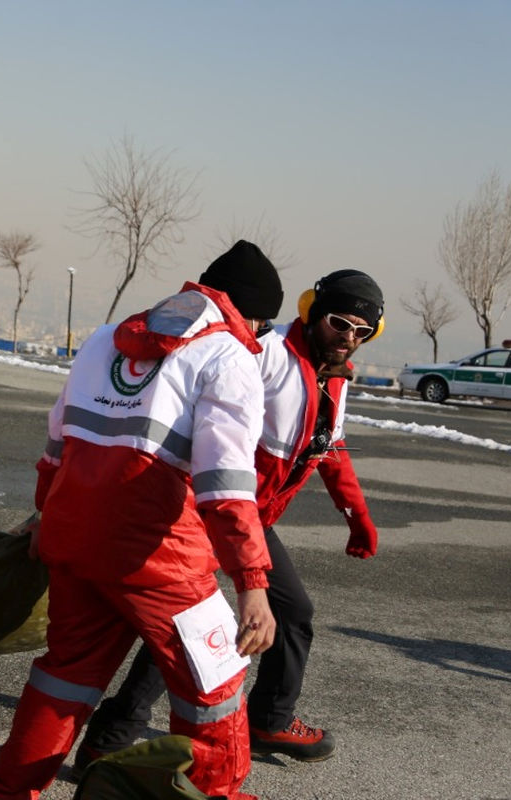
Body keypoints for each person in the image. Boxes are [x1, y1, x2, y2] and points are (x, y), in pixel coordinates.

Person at [0, 240, 284, 800]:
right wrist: (253, 583)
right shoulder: (226, 357)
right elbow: (227, 486)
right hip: (160, 557)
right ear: (252, 317)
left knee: (63, 678)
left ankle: (5, 793)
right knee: (214, 689)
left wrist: (45, 514)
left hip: (75, 540)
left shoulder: (102, 340)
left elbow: (58, 440)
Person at [74, 269, 385, 768]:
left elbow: (330, 448)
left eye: (362, 332)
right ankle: (109, 738)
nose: (349, 337)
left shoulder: (334, 376)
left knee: (293, 613)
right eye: (339, 322)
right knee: (192, 629)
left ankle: (270, 720)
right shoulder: (266, 353)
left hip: (253, 516)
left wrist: (357, 515)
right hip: (211, 509)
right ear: (310, 310)